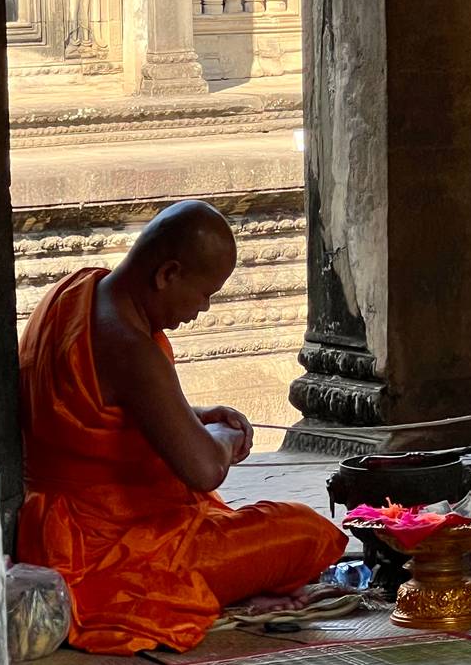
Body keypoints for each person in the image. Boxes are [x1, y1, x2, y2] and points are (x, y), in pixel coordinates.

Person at [17, 200, 348, 655]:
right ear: (166, 274)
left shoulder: (76, 291)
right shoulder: (132, 347)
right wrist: (228, 438)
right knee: (310, 533)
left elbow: (107, 408)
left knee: (233, 523)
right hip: (106, 554)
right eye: (204, 292)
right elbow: (205, 470)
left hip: (48, 529)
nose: (204, 308)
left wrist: (193, 413)